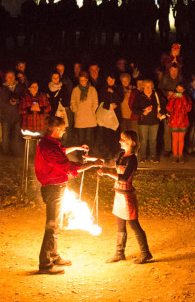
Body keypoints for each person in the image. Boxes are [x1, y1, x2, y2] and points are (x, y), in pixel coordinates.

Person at [35, 116, 102, 275]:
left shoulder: (49, 143)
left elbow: (63, 150)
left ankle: (54, 255)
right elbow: (69, 167)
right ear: (56, 129)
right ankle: (45, 264)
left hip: (56, 188)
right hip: (53, 189)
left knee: (56, 225)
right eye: (63, 128)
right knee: (52, 226)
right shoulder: (49, 148)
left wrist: (77, 147)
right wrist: (92, 164)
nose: (65, 131)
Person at [98, 130, 152, 264]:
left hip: (127, 197)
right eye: (121, 139)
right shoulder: (121, 154)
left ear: (131, 142)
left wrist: (106, 173)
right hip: (118, 194)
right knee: (120, 226)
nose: (120, 141)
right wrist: (93, 160)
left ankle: (145, 253)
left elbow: (124, 177)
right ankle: (119, 253)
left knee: (134, 225)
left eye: (123, 139)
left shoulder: (132, 159)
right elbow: (109, 162)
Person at [132, 79, 166, 163]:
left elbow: (164, 105)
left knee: (153, 140)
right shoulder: (139, 96)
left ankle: (153, 156)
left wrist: (160, 113)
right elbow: (134, 109)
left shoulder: (156, 95)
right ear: (143, 87)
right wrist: (143, 112)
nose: (148, 88)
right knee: (143, 140)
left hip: (154, 121)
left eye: (150, 86)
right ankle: (143, 156)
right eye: (146, 86)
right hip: (143, 122)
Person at [70, 71, 98, 148]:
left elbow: (95, 102)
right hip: (80, 118)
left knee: (89, 138)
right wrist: (76, 110)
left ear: (87, 80)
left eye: (84, 80)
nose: (82, 82)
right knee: (80, 139)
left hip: (90, 117)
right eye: (80, 80)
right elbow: (72, 102)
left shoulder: (92, 89)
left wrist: (92, 111)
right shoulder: (75, 90)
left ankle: (89, 154)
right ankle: (80, 156)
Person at [166, 82, 192, 163]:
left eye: (181, 89)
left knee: (181, 139)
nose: (179, 90)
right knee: (175, 139)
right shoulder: (172, 97)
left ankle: (180, 156)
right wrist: (173, 98)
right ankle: (175, 155)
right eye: (178, 88)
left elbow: (188, 109)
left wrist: (183, 98)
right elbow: (168, 108)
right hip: (174, 121)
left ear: (184, 90)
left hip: (183, 122)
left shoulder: (187, 98)